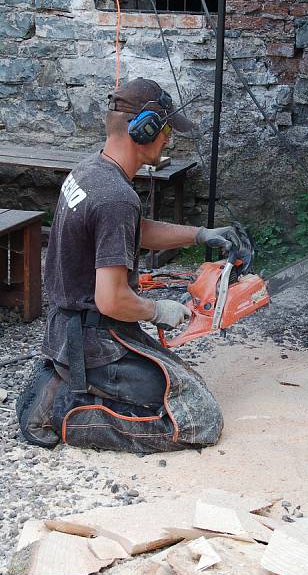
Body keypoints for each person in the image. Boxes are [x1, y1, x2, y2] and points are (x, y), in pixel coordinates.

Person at [17, 78, 242, 454]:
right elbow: (112, 299)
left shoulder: (92, 170)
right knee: (199, 417)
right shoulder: (115, 197)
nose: (169, 138)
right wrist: (160, 310)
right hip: (96, 338)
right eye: (166, 129)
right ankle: (64, 413)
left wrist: (200, 234)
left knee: (185, 382)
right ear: (144, 129)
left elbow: (132, 231)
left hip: (71, 326)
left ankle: (62, 375)